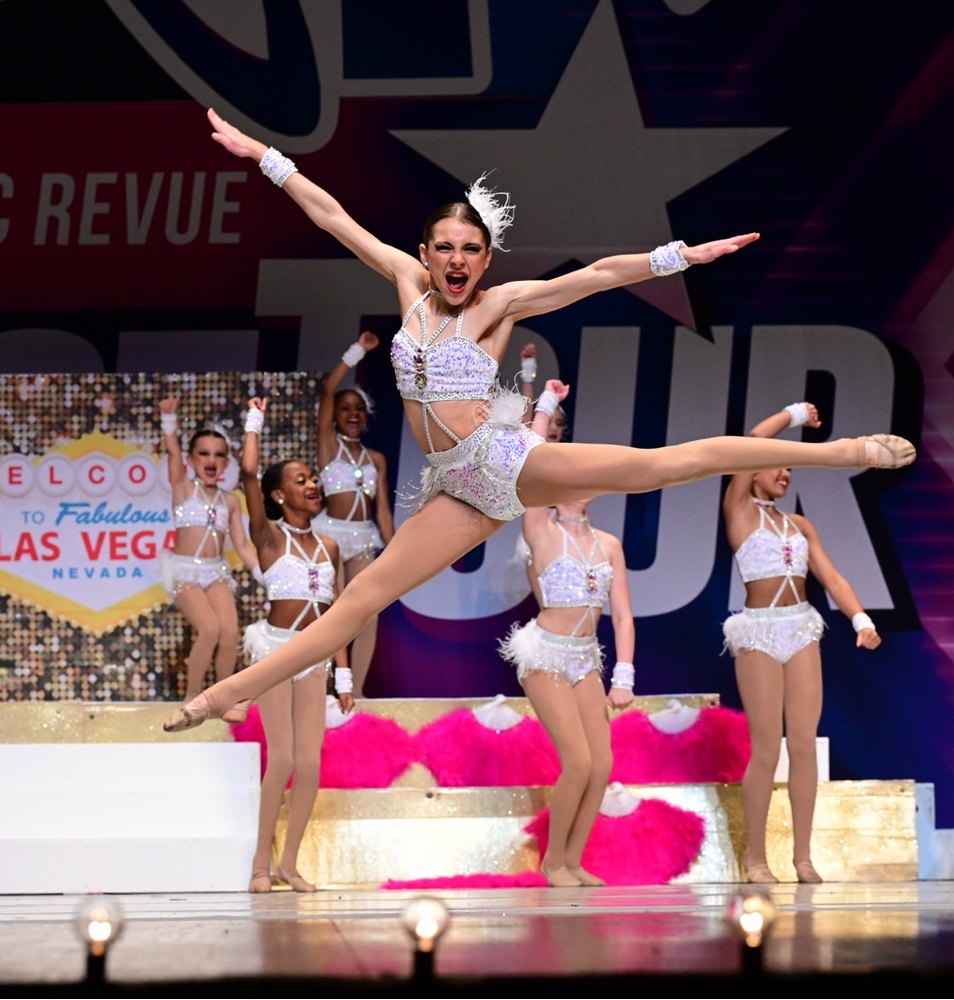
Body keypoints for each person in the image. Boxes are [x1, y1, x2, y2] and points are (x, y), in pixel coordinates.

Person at [162, 108, 915, 733]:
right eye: (446, 250)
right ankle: (228, 692)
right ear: (426, 253)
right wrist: (263, 155)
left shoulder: (499, 303)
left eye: (472, 252)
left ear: (487, 260)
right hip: (454, 489)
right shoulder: (404, 281)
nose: (458, 262)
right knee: (361, 599)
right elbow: (330, 214)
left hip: (504, 459)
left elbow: (592, 278)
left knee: (663, 464)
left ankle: (846, 447)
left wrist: (679, 257)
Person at [722, 402, 884, 885]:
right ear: (754, 474)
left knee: (805, 744)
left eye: (791, 467)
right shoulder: (739, 513)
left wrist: (860, 619)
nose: (785, 473)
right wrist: (792, 414)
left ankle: (803, 856)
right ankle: (755, 857)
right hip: (759, 633)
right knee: (767, 745)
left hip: (800, 627)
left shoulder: (800, 526)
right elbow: (751, 442)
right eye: (778, 465)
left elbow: (831, 578)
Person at [500, 379, 635, 887]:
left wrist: (624, 674)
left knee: (601, 765)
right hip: (545, 653)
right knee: (577, 760)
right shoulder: (540, 528)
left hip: (586, 656)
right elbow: (530, 464)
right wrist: (547, 407)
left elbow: (622, 615)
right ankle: (552, 861)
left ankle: (575, 860)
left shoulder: (609, 544)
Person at [239, 398, 353, 893]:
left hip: (313, 658)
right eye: (301, 479)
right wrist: (254, 422)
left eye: (313, 478)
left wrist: (343, 676)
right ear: (279, 494)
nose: (313, 484)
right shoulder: (267, 538)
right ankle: (259, 866)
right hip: (275, 651)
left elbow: (340, 617)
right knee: (281, 758)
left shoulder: (329, 547)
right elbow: (246, 474)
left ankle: (290, 864)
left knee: (310, 763)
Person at [158, 397, 258, 720]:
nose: (211, 460)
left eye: (218, 455)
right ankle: (193, 698)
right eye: (203, 453)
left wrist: (263, 574)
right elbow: (172, 451)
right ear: (192, 459)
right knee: (210, 629)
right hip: (185, 573)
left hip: (215, 573)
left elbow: (242, 546)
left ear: (227, 463)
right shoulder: (183, 488)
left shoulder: (230, 500)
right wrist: (168, 419)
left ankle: (223, 699)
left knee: (230, 632)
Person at [313, 330, 395, 696]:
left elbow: (383, 511)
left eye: (357, 409)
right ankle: (334, 688)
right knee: (336, 613)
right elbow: (327, 391)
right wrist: (357, 351)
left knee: (367, 615)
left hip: (363, 538)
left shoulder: (375, 458)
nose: (351, 414)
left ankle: (358, 693)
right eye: (345, 409)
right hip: (330, 535)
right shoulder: (329, 447)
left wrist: (395, 553)